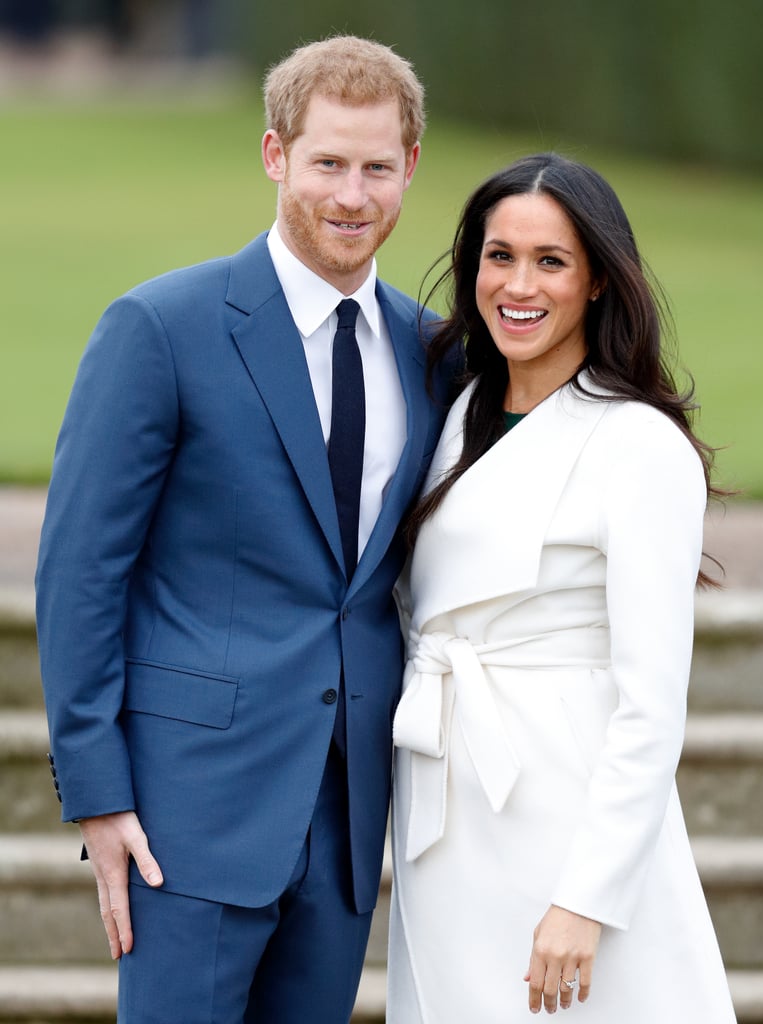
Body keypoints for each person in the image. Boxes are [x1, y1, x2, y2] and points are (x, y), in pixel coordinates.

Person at [35, 35, 458, 1024]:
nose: (351, 196)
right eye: (326, 164)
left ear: (408, 169)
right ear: (274, 156)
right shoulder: (159, 327)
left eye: (375, 168)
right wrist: (99, 796)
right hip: (186, 814)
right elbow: (80, 573)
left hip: (349, 820)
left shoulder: (429, 351)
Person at [387, 153, 737, 1022]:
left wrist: (587, 898)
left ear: (596, 284)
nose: (518, 284)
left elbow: (650, 704)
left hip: (568, 819)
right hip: (446, 813)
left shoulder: (636, 444)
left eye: (550, 262)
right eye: (498, 256)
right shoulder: (453, 417)